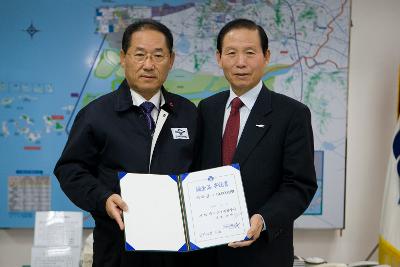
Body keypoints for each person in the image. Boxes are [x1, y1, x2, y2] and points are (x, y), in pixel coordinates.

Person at [54, 19, 198, 267]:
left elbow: (201, 170)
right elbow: (70, 170)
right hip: (117, 250)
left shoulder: (188, 113)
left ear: (171, 61)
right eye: (140, 55)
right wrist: (102, 198)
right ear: (123, 58)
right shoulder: (96, 114)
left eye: (158, 56)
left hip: (178, 254)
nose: (149, 65)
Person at [196, 18, 318, 267]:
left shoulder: (292, 114)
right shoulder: (206, 109)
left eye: (250, 52)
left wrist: (263, 219)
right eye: (231, 53)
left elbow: (300, 185)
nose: (240, 62)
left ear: (266, 56)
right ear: (219, 58)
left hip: (263, 254)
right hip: (207, 254)